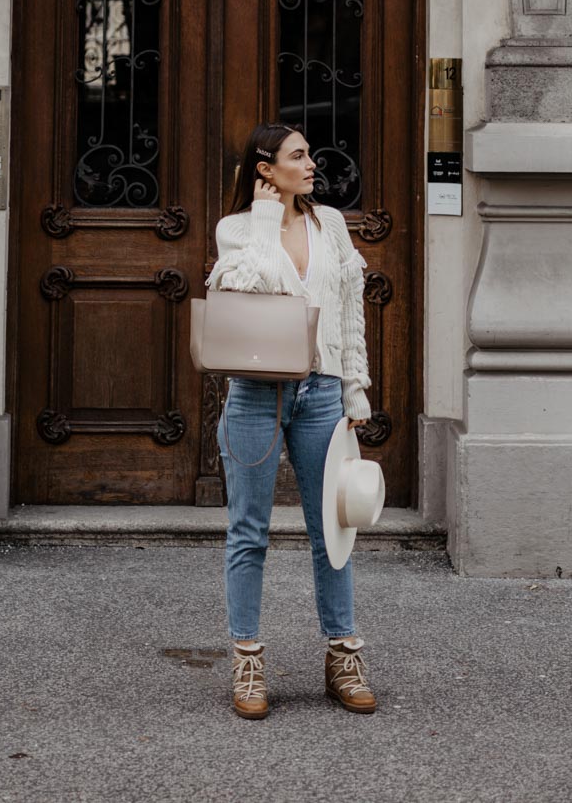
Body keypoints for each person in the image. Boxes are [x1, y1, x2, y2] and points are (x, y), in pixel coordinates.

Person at [207, 121, 376, 720]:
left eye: (309, 154)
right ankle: (248, 659)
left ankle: (343, 653)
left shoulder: (330, 224)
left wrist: (355, 392)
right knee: (247, 530)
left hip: (323, 392)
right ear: (265, 169)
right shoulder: (236, 230)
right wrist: (262, 220)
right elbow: (249, 286)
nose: (311, 165)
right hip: (256, 393)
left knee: (331, 532)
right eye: (298, 156)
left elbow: (351, 312)